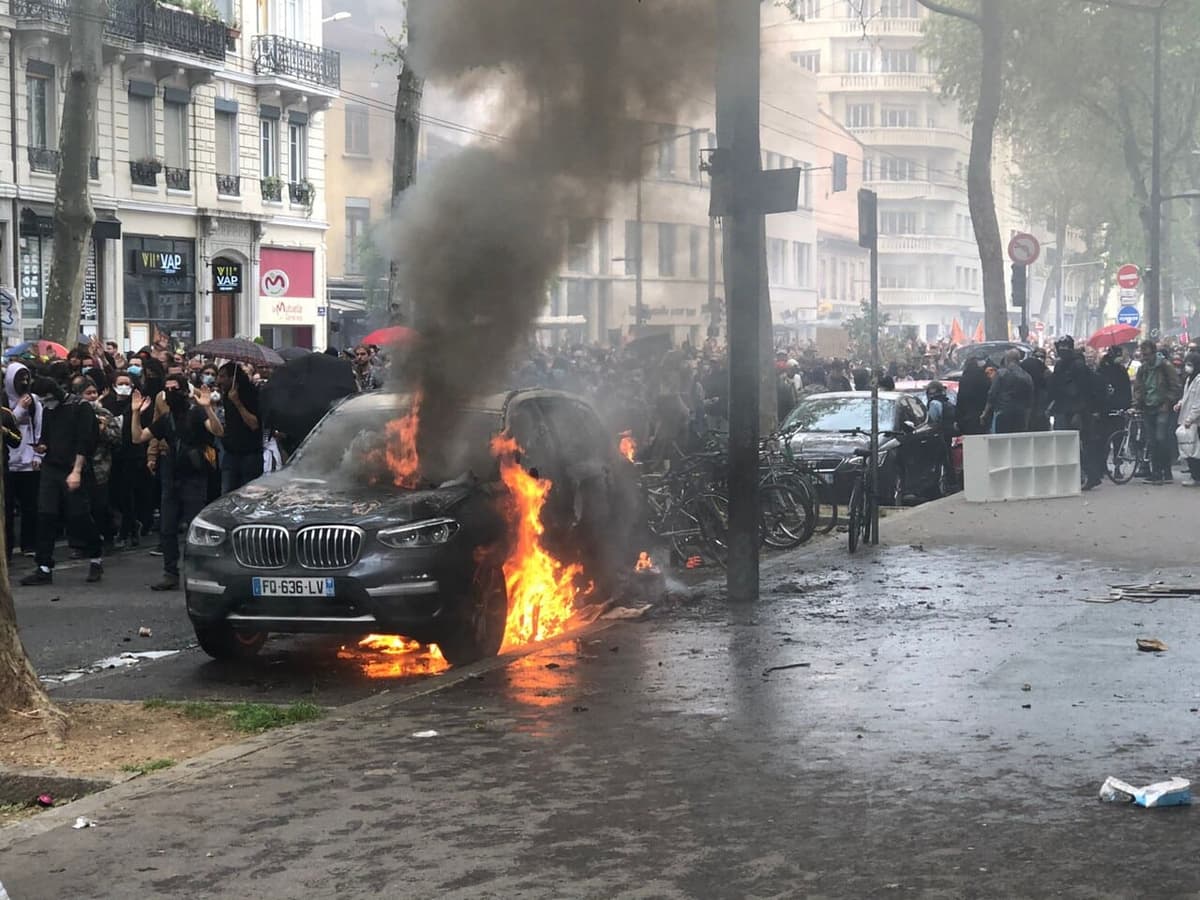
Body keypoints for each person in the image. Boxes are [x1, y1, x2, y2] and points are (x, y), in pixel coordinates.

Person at [130, 374, 223, 590]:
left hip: (195, 476)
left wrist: (208, 408)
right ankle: (170, 573)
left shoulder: (197, 413)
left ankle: (200, 572)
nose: (169, 393)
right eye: (166, 389)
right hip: (171, 475)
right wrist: (135, 413)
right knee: (167, 527)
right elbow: (138, 437)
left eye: (174, 389)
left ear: (184, 390)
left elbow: (218, 431)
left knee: (195, 527)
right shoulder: (166, 419)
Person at [20, 377, 103, 585]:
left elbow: (85, 442)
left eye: (46, 398)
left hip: (74, 467)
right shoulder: (48, 410)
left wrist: (76, 471)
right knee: (45, 516)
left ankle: (95, 556)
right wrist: (41, 448)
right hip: (51, 467)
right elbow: (47, 437)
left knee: (79, 516)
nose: (45, 403)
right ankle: (44, 566)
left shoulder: (80, 407)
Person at [4, 361, 43, 560]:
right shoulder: (5, 401)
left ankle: (29, 544)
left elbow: (39, 428)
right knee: (7, 509)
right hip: (8, 463)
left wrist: (37, 455)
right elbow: (8, 424)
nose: (24, 383)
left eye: (27, 378)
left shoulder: (34, 400)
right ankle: (7, 547)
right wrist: (18, 409)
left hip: (29, 464)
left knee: (30, 507)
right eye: (20, 379)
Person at [1133, 338, 1183, 485]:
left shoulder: (1165, 366)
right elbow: (1138, 387)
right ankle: (1157, 472)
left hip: (1162, 407)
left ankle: (1164, 471)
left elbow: (1175, 386)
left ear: (1154, 353)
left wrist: (1167, 402)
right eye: (1142, 355)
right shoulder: (1143, 369)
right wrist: (1137, 404)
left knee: (1161, 438)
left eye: (1146, 354)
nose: (1144, 358)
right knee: (1152, 441)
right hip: (1148, 407)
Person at [216, 361, 262, 494]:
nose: (220, 380)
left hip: (249, 454)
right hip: (231, 452)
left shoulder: (252, 394)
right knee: (226, 493)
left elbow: (254, 424)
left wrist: (237, 402)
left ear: (233, 378)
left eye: (223, 376)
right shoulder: (226, 395)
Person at [981, 349, 1033, 434]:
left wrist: (985, 412)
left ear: (1007, 359)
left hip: (1003, 413)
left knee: (1002, 443)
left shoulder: (1001, 373)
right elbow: (1029, 400)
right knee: (1017, 442)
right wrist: (1026, 420)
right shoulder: (1027, 376)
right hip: (1020, 415)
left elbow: (992, 394)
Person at [1175, 351, 1200, 486]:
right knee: (1190, 448)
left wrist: (1190, 419)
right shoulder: (1189, 379)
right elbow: (1187, 397)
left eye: (1190, 364)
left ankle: (1196, 476)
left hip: (1194, 420)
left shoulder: (1199, 380)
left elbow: (1198, 403)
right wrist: (1179, 404)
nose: (1187, 367)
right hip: (1188, 418)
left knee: (1194, 449)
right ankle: (1195, 475)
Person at [956, 356, 990, 437]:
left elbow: (960, 399)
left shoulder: (964, 379)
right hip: (982, 416)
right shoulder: (984, 378)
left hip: (967, 418)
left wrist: (958, 418)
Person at [1019, 348, 1050, 431]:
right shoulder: (1029, 365)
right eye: (1037, 356)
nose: (1039, 358)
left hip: (1034, 400)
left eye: (1042, 356)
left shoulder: (1024, 364)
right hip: (1032, 399)